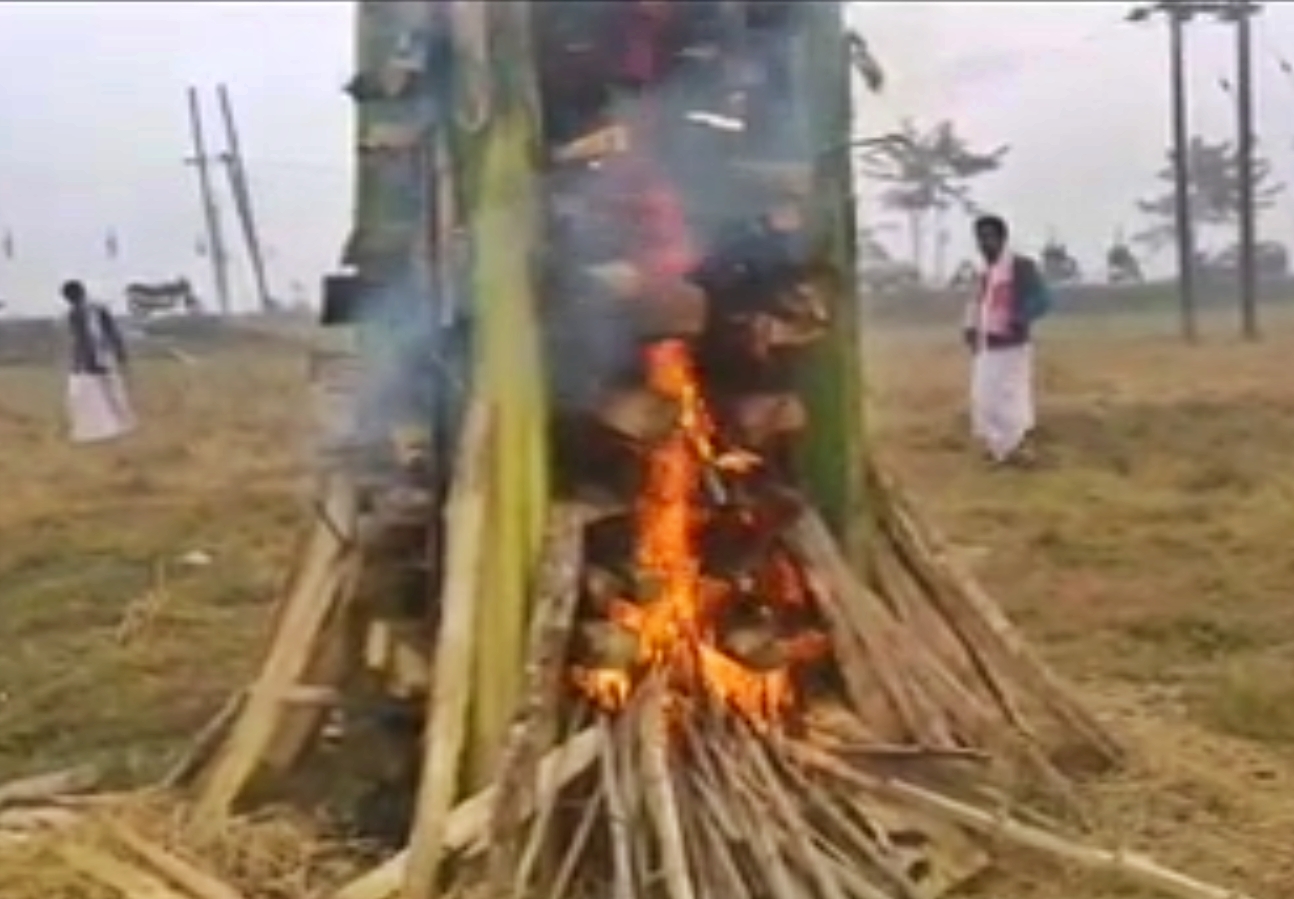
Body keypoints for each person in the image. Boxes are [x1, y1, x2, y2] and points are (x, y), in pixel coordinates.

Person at [963, 215, 1051, 466]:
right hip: (986, 345)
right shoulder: (986, 272)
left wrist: (1021, 317)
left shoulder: (1021, 267)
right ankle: (998, 449)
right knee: (984, 399)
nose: (984, 243)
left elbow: (1043, 300)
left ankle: (1018, 448)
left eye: (990, 237)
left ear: (1002, 239)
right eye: (980, 238)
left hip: (1012, 344)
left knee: (1011, 399)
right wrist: (969, 327)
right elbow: (978, 303)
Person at [62, 279, 137, 443]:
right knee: (111, 392)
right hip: (101, 356)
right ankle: (119, 426)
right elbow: (112, 333)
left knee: (88, 394)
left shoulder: (80, 312)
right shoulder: (95, 309)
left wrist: (89, 360)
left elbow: (88, 337)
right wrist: (120, 353)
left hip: (93, 358)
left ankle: (103, 429)